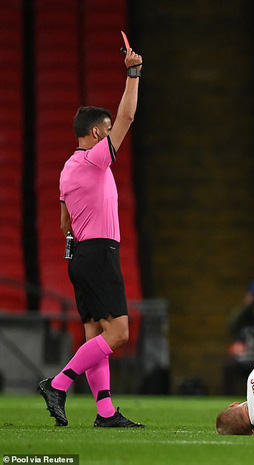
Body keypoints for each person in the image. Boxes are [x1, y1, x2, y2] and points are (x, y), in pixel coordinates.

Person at [38, 44, 144, 428]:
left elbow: (64, 224)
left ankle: (105, 413)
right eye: (106, 129)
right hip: (99, 253)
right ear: (98, 132)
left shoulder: (67, 169)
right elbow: (128, 115)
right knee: (118, 334)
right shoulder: (95, 159)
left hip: (80, 255)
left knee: (95, 336)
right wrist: (133, 73)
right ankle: (59, 384)